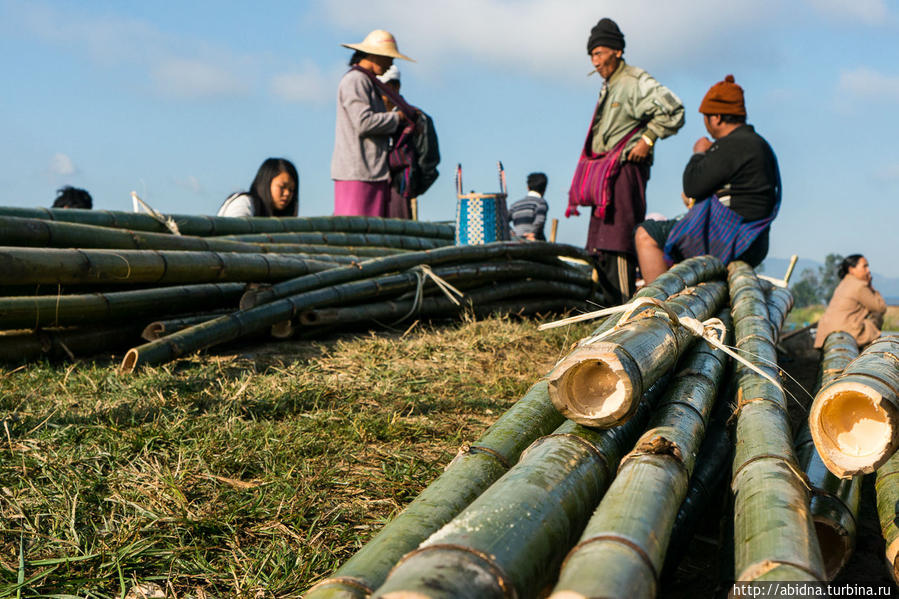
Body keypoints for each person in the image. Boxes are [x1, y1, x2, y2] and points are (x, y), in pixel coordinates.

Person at [567, 18, 684, 304]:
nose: (595, 62)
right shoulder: (610, 85)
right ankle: (609, 311)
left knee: (618, 244)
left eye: (599, 53)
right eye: (591, 56)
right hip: (605, 179)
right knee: (602, 249)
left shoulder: (633, 81)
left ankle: (621, 317)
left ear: (617, 51)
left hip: (623, 174)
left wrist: (648, 139)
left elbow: (673, 110)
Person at [635, 75, 780, 283]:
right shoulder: (760, 145)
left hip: (729, 239)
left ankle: (659, 306)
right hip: (755, 242)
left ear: (717, 117)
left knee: (646, 233)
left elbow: (693, 185)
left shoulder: (731, 145)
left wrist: (699, 153)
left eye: (705, 117)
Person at [332, 29, 414, 217]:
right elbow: (363, 122)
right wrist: (397, 118)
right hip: (356, 173)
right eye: (388, 58)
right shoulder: (355, 80)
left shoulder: (367, 82)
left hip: (370, 172)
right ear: (375, 56)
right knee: (357, 233)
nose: (391, 63)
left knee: (371, 232)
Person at [814, 255, 887, 349]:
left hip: (825, 333)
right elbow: (880, 308)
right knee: (877, 316)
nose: (868, 270)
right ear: (851, 269)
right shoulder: (859, 286)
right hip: (846, 331)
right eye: (864, 266)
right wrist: (871, 287)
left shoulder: (843, 284)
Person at [217, 158, 298, 218]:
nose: (287, 193)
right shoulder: (244, 202)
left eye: (291, 190)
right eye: (282, 187)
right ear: (267, 182)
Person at [509, 172, 549, 241]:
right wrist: (532, 233)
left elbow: (502, 220)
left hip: (517, 240)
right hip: (535, 240)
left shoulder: (515, 205)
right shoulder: (541, 203)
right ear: (544, 189)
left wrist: (511, 232)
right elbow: (539, 221)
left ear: (528, 187)